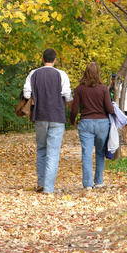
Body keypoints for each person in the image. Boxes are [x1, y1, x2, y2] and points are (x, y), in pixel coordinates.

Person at [23, 48, 73, 195]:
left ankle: (40, 182)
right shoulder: (61, 75)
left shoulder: (33, 74)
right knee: (53, 152)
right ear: (55, 60)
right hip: (57, 116)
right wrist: (73, 115)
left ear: (43, 59)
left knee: (41, 149)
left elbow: (26, 93)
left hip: (40, 115)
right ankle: (48, 188)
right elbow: (68, 96)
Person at [69, 62, 114, 190]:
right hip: (102, 124)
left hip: (86, 123)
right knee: (100, 152)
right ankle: (99, 181)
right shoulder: (103, 89)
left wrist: (72, 120)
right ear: (98, 73)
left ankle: (88, 184)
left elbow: (75, 108)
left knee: (86, 153)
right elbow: (110, 108)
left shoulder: (79, 89)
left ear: (86, 72)